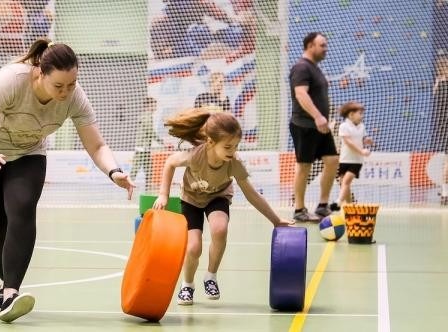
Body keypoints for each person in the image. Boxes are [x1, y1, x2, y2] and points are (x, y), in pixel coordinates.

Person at [0, 38, 135, 323]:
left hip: (28, 154)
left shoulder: (75, 97)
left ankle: (11, 293)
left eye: (72, 84)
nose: (66, 92)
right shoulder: (13, 80)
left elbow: (97, 145)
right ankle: (6, 284)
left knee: (22, 207)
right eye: (59, 86)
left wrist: (114, 172)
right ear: (40, 73)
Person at [152, 109, 294, 306]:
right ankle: (187, 285)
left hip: (217, 197)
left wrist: (275, 220)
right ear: (210, 142)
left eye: (235, 146)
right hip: (190, 200)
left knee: (220, 229)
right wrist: (163, 194)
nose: (232, 151)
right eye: (228, 146)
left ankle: (211, 276)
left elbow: (252, 194)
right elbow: (169, 163)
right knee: (193, 248)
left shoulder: (234, 163)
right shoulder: (195, 156)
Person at [289, 32, 339, 221]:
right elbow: (301, 94)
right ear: (310, 45)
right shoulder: (301, 67)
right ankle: (299, 209)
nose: (326, 49)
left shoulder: (315, 68)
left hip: (320, 127)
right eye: (322, 45)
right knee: (304, 167)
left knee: (333, 161)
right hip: (305, 125)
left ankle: (322, 205)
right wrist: (318, 116)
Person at [329, 102, 373, 211]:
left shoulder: (362, 126)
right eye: (360, 113)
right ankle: (350, 207)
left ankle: (338, 203)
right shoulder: (343, 126)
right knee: (344, 183)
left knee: (346, 181)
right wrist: (361, 151)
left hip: (356, 161)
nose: (362, 116)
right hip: (344, 159)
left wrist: (367, 141)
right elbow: (348, 142)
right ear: (351, 114)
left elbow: (362, 139)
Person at [129, 97, 167, 191]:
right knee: (136, 167)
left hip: (144, 147)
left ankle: (148, 186)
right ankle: (129, 184)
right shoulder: (147, 116)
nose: (155, 107)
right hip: (142, 147)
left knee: (148, 167)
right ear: (148, 105)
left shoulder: (146, 115)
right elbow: (150, 131)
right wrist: (161, 141)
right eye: (154, 105)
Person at [432, 56, 448, 205]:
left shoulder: (437, 85)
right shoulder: (443, 85)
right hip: (445, 128)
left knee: (446, 162)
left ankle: (444, 192)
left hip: (442, 128)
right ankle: (444, 193)